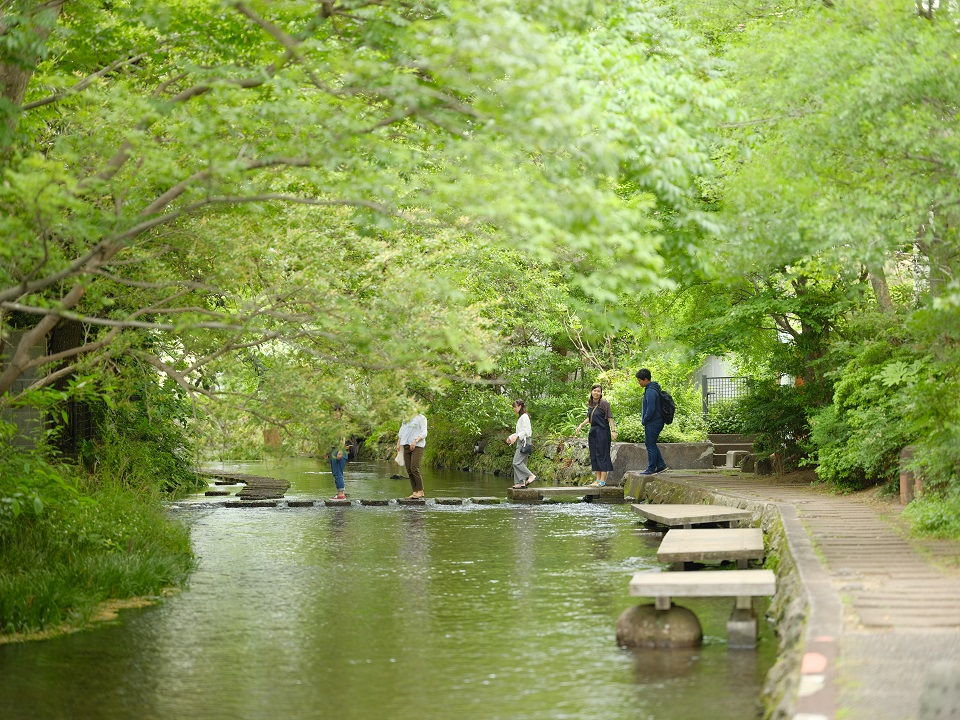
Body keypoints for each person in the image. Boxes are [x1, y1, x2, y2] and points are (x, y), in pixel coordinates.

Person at [575, 384, 617, 487]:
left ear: (601, 393)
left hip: (603, 431)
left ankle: (603, 481)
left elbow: (610, 418)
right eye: (594, 391)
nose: (596, 393)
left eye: (598, 391)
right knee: (594, 455)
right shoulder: (591, 403)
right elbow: (590, 417)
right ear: (591, 392)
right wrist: (581, 425)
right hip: (593, 431)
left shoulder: (604, 404)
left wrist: (613, 430)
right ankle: (597, 480)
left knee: (603, 454)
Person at [636, 368, 667, 475]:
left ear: (646, 379)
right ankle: (661, 465)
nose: (639, 382)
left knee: (650, 445)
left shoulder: (650, 391)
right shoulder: (654, 388)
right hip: (656, 421)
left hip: (653, 422)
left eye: (640, 380)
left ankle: (651, 468)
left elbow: (651, 409)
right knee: (651, 443)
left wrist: (645, 419)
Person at [397, 410, 428, 499]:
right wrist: (398, 443)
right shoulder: (406, 418)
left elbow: (424, 432)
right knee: (409, 469)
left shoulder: (421, 418)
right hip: (406, 445)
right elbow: (402, 430)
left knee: (414, 467)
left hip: (417, 445)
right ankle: (415, 492)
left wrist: (415, 440)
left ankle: (420, 491)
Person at [507, 399, 536, 489]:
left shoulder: (524, 417)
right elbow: (519, 432)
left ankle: (531, 475)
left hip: (524, 442)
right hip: (522, 441)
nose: (514, 409)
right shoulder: (521, 417)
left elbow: (527, 431)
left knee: (516, 462)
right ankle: (521, 483)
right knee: (521, 463)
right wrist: (511, 437)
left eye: (515, 407)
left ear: (520, 406)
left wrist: (516, 436)